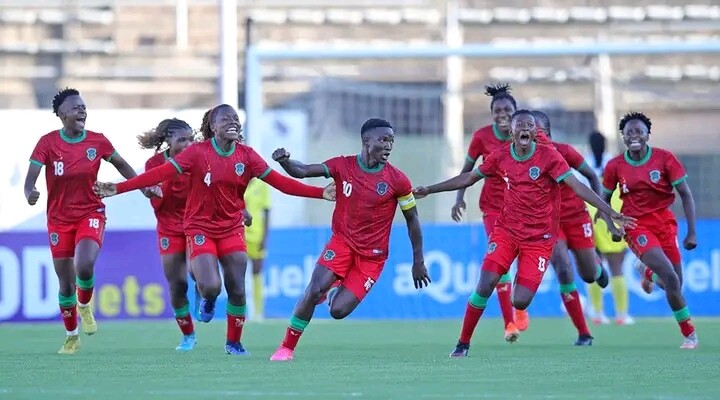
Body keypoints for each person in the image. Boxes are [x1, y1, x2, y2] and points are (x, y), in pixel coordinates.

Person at [94, 104, 335, 355]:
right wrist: (118, 188)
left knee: (238, 287)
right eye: (225, 119)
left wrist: (320, 193)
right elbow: (158, 173)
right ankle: (205, 300)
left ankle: (234, 343)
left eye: (235, 119)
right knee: (210, 285)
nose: (232, 122)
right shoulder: (197, 153)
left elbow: (281, 183)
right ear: (213, 126)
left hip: (231, 228)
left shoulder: (248, 156)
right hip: (200, 228)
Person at [412, 110, 635, 357]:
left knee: (521, 300)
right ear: (512, 132)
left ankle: (556, 275)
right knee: (486, 283)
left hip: (541, 237)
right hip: (507, 231)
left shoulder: (552, 155)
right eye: (522, 125)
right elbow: (470, 177)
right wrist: (430, 190)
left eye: (532, 126)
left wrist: (609, 212)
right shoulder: (500, 156)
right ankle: (462, 344)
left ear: (540, 132)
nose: (528, 129)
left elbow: (579, 185)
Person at [267, 118, 431, 361]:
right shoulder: (343, 166)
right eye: (383, 140)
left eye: (391, 141)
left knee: (338, 311)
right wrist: (285, 162)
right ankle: (286, 348)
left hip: (372, 257)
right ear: (366, 141)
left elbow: (413, 220)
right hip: (341, 243)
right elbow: (303, 170)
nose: (388, 146)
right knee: (313, 290)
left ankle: (334, 291)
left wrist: (418, 260)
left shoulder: (397, 180)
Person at [24, 87, 153, 354]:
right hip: (59, 220)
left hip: (90, 212)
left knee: (84, 264)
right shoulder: (47, 143)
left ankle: (84, 304)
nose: (82, 110)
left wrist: (143, 186)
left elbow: (121, 164)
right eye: (75, 107)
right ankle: (72, 336)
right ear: (61, 115)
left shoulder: (98, 141)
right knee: (65, 282)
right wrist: (30, 192)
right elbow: (31, 177)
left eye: (83, 107)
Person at [601, 111, 698, 349]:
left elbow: (685, 194)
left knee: (674, 284)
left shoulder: (665, 159)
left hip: (665, 223)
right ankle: (689, 334)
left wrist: (692, 231)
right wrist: (611, 224)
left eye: (639, 131)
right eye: (629, 132)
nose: (634, 135)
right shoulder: (615, 165)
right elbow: (602, 200)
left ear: (647, 134)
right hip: (635, 225)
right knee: (670, 276)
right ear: (623, 136)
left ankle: (647, 273)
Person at [451, 84, 526, 341]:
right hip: (493, 208)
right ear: (492, 113)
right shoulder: (482, 137)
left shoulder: (526, 135)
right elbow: (468, 169)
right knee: (499, 261)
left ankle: (520, 304)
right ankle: (510, 324)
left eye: (507, 109)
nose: (502, 114)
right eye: (497, 110)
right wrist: (459, 198)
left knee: (525, 256)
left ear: (516, 113)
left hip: (525, 208)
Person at [530, 110, 611, 346]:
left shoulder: (564, 151)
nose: (532, 135)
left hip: (577, 217)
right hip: (550, 223)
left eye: (538, 131)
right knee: (563, 269)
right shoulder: (522, 158)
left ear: (548, 133)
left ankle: (595, 267)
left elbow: (591, 176)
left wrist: (600, 210)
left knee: (587, 276)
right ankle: (584, 332)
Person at [138, 118, 200, 351]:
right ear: (168, 141)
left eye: (190, 139)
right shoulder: (153, 164)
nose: (188, 144)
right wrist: (150, 192)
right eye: (182, 140)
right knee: (176, 284)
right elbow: (152, 194)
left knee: (199, 272)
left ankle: (203, 289)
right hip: (168, 228)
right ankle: (188, 335)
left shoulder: (196, 159)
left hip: (195, 224)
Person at [584, 131, 634, 325]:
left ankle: (597, 313)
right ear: (605, 145)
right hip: (611, 212)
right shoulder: (613, 163)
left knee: (595, 266)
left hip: (589, 214)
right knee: (616, 268)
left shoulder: (584, 164)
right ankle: (622, 315)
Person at [243, 177, 271, 320]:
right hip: (239, 234)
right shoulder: (238, 180)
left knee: (257, 272)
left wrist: (265, 237)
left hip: (257, 235)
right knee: (238, 273)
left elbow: (266, 212)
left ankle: (258, 312)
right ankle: (241, 311)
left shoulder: (261, 186)